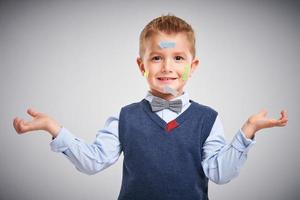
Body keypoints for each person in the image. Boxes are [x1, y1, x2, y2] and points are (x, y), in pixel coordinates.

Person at [13, 15, 288, 200]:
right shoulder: (124, 117)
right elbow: (93, 162)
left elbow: (220, 173)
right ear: (141, 65)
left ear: (192, 67)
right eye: (157, 57)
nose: (167, 67)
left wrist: (247, 132)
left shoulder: (208, 119)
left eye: (178, 57)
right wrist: (54, 129)